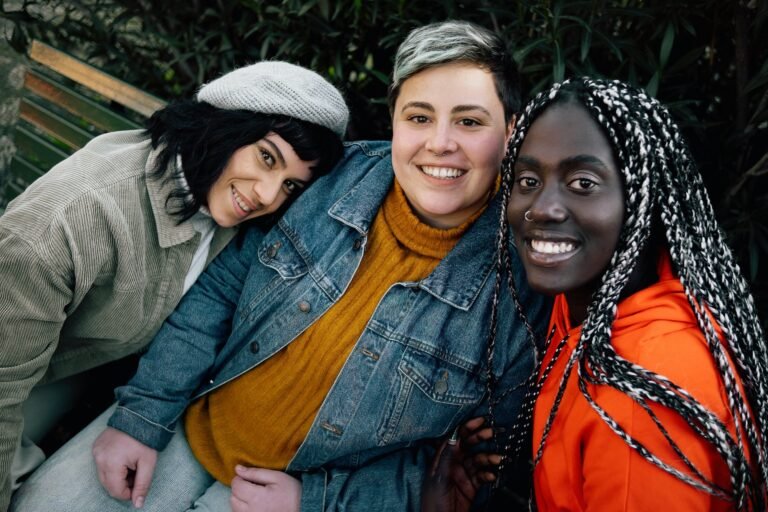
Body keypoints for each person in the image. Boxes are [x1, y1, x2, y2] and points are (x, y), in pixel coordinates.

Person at [10, 20, 549, 512]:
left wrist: (322, 500)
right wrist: (142, 416)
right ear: (395, 121)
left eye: (470, 121)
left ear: (512, 130)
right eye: (419, 117)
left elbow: (468, 464)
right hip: (187, 424)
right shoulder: (332, 182)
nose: (440, 143)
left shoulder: (518, 291)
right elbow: (219, 295)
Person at [0, 60, 348, 511]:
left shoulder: (226, 204)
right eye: (266, 156)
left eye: (290, 186)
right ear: (222, 123)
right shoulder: (66, 223)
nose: (267, 195)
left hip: (78, 365)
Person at [423, 77, 768, 511]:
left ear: (646, 200)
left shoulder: (639, 401)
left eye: (583, 183)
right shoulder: (587, 310)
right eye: (527, 179)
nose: (541, 207)